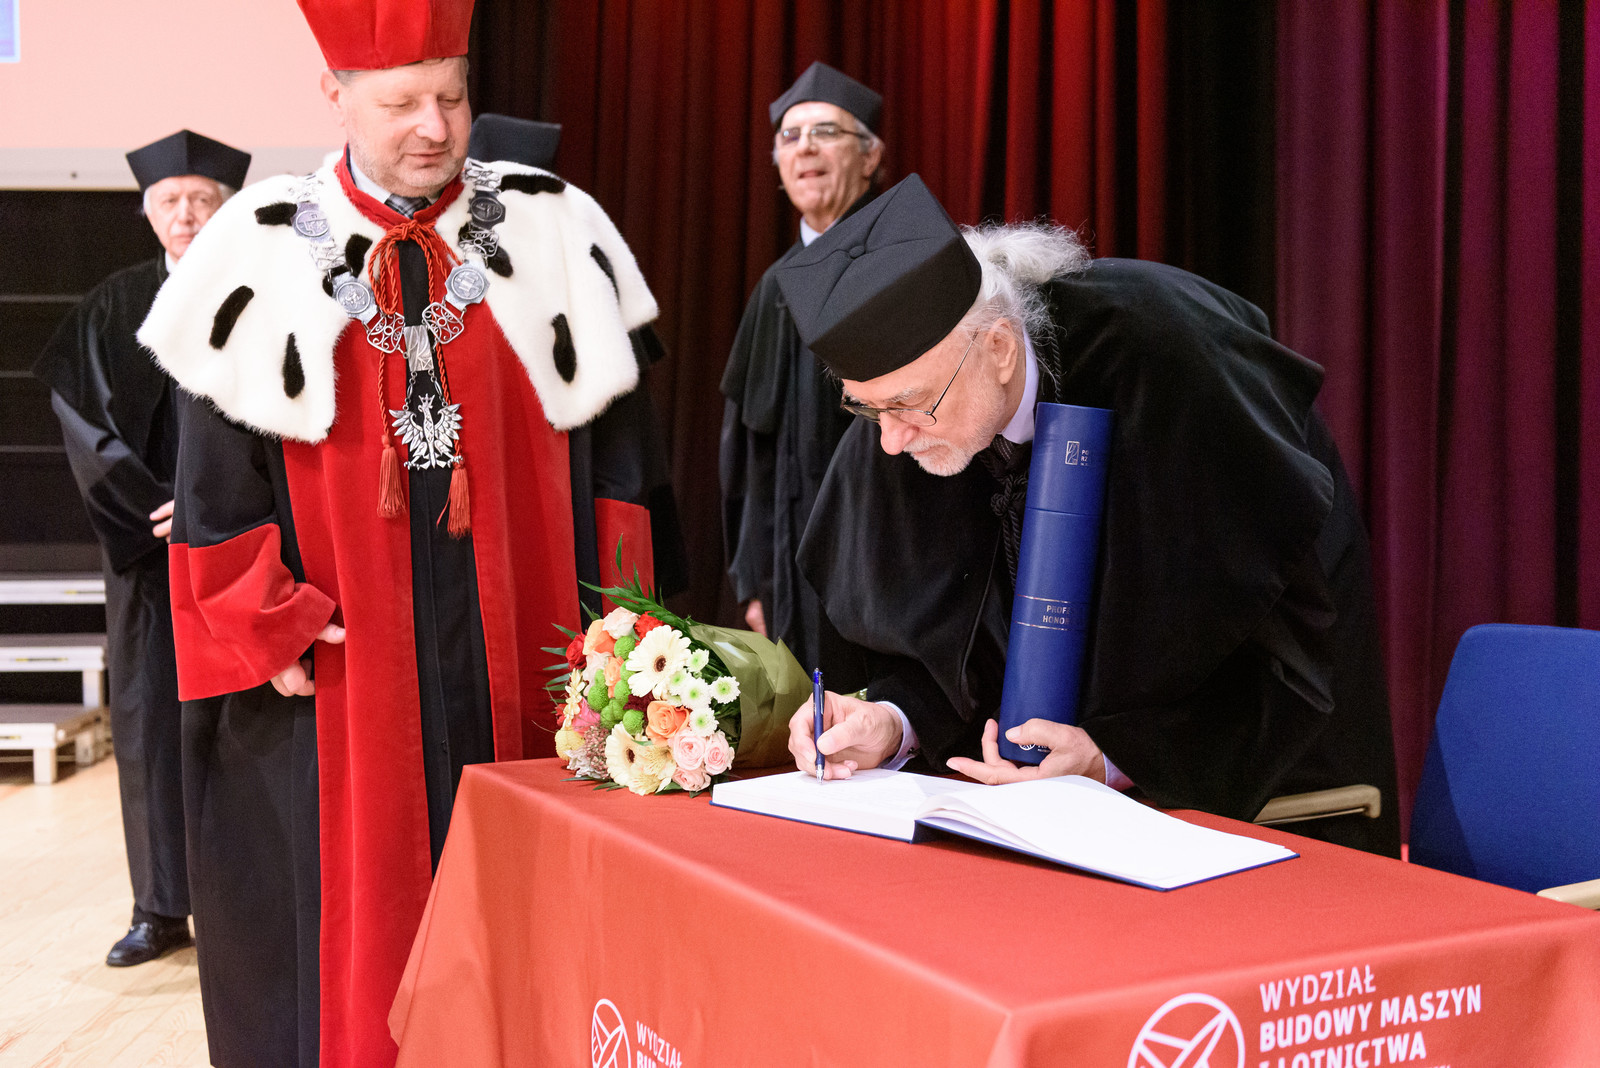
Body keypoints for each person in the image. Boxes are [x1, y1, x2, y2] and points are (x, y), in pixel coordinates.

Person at [135, 2, 675, 1063]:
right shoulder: (255, 247)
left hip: (533, 651)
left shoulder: (553, 228)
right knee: (351, 931)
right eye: (402, 104)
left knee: (538, 928)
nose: (435, 126)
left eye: (453, 97)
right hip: (345, 668)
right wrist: (263, 621)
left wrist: (624, 623)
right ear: (333, 97)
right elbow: (213, 480)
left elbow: (625, 458)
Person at [777, 175, 1401, 857]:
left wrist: (1112, 758)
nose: (890, 442)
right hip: (1025, 814)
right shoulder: (909, 411)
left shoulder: (1166, 360)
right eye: (865, 409)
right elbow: (953, 641)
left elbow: (1271, 645)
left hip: (1258, 782)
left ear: (999, 349)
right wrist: (893, 722)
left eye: (907, 406)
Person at [33, 129, 249, 968]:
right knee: (151, 723)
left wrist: (214, 510)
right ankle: (160, 907)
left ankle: (248, 903)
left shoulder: (262, 296)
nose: (186, 213)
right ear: (147, 211)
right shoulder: (112, 306)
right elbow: (85, 426)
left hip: (247, 546)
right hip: (148, 554)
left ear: (229, 207)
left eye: (202, 199)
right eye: (170, 201)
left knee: (248, 725)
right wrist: (159, 508)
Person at [719, 61, 883, 670]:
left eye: (826, 132)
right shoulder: (774, 288)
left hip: (884, 568)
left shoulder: (901, 264)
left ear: (870, 156)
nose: (805, 147)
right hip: (791, 577)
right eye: (790, 136)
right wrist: (752, 579)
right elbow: (748, 453)